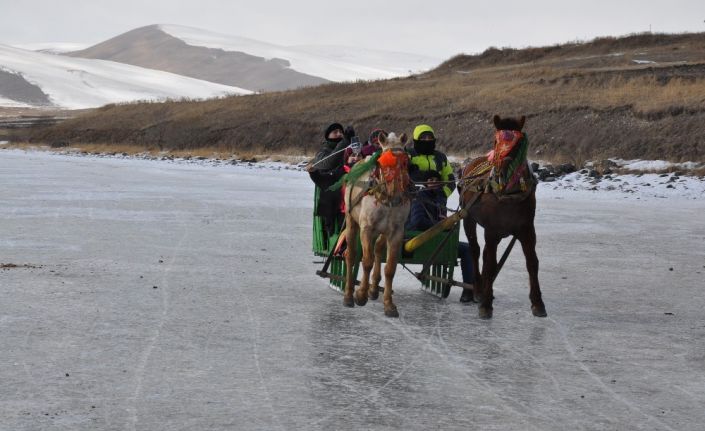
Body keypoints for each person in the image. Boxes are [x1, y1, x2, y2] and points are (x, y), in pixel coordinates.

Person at [404, 124, 475, 299]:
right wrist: (422, 187)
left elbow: (449, 181)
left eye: (430, 139)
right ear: (416, 140)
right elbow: (401, 178)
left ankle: (470, 289)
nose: (428, 141)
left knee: (467, 250)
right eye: (424, 139)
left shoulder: (441, 158)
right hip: (412, 207)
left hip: (436, 205)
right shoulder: (408, 156)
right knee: (420, 219)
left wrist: (437, 193)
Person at [308, 122, 355, 237]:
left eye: (341, 132)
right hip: (332, 190)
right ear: (328, 136)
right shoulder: (322, 152)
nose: (339, 134)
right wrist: (345, 142)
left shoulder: (349, 150)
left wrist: (352, 141)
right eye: (335, 132)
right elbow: (330, 162)